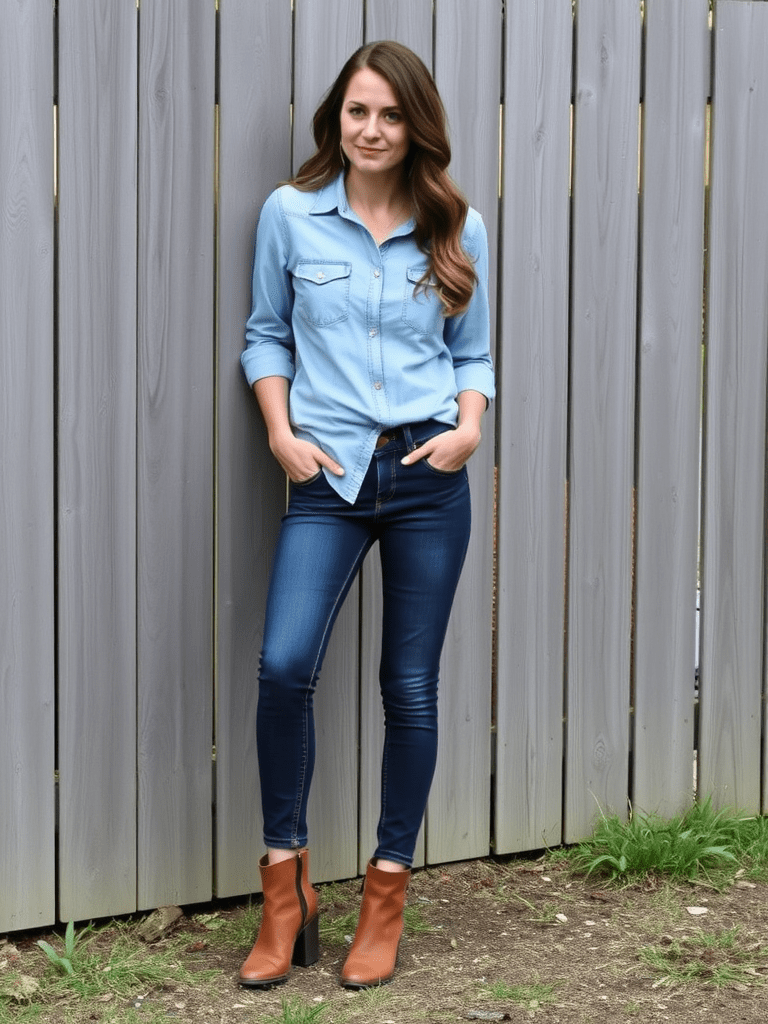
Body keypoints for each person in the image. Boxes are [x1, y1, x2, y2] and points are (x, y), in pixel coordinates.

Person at [238, 40, 494, 991]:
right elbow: (266, 335)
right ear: (335, 119)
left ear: (415, 125)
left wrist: (469, 429)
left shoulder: (456, 223)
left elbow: (473, 353)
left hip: (429, 476)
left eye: (390, 114)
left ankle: (385, 896)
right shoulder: (291, 214)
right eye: (358, 112)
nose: (373, 130)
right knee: (284, 667)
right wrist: (280, 432)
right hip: (330, 478)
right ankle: (286, 894)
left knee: (409, 688)